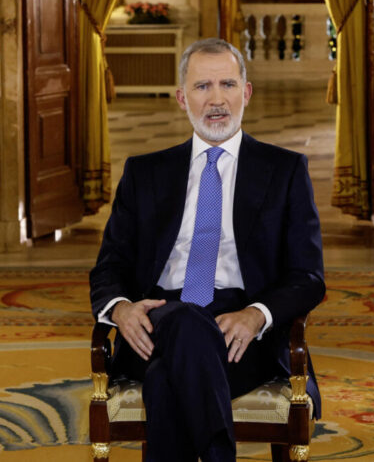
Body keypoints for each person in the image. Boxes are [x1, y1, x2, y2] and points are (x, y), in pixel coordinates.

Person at [89, 37, 325, 461]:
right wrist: (123, 309)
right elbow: (109, 267)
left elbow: (308, 276)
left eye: (228, 85)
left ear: (246, 93)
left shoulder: (285, 170)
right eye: (202, 87)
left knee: (165, 380)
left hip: (241, 331)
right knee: (181, 320)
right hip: (157, 319)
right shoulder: (144, 174)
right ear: (182, 98)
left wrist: (258, 315)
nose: (217, 99)